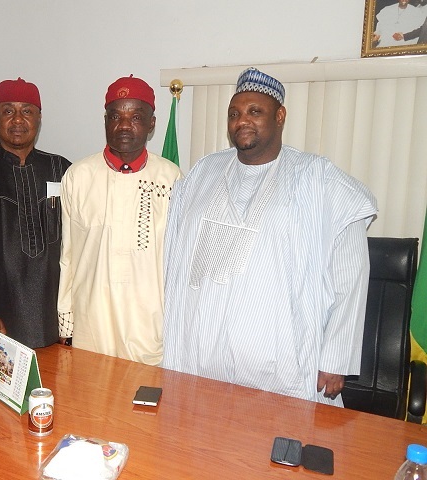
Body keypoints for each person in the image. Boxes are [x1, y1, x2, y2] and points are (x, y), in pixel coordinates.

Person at [162, 67, 378, 406]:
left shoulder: (318, 179)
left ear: (280, 116)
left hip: (280, 363)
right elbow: (171, 256)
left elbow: (351, 274)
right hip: (198, 356)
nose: (242, 121)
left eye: (254, 111)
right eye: (234, 113)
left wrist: (336, 357)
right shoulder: (203, 172)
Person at [57, 75, 182, 366]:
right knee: (92, 391)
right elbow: (68, 255)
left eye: (136, 117)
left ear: (151, 124)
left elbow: (178, 260)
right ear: (105, 121)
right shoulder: (79, 176)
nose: (124, 125)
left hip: (148, 322)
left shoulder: (171, 178)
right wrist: (66, 322)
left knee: (145, 393)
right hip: (92, 321)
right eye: (115, 116)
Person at [0, 78, 71, 367]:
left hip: (55, 318)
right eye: (8, 111)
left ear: (39, 118)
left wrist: (73, 319)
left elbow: (80, 248)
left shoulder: (63, 170)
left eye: (27, 111)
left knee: (57, 390)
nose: (18, 119)